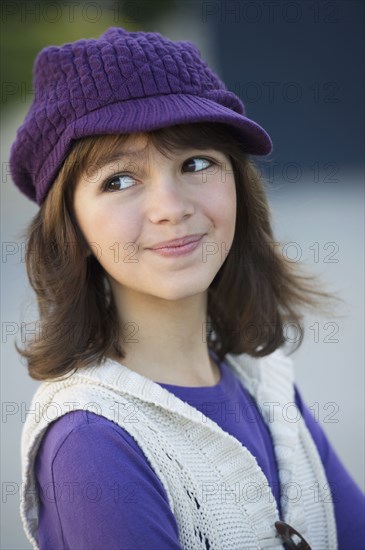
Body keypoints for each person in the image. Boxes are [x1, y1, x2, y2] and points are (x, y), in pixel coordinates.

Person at [10, 27, 364, 550]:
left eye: (197, 164)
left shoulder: (266, 386)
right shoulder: (92, 441)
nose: (171, 207)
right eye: (120, 180)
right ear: (74, 229)